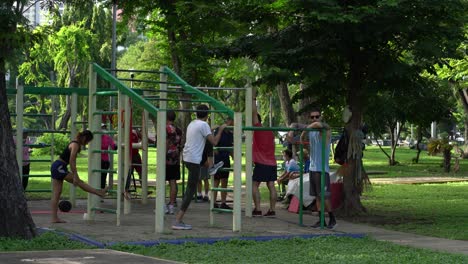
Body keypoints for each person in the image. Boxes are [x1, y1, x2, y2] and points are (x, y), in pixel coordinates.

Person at [172, 104, 227, 230]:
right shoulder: (204, 125)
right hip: (194, 160)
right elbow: (214, 141)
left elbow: (205, 133)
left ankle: (211, 166)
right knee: (190, 191)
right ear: (207, 115)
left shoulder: (193, 123)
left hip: (187, 158)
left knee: (206, 141)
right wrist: (221, 129)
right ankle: (177, 220)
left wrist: (214, 128)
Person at [50, 130, 108, 223]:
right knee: (79, 182)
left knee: (57, 193)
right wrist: (75, 176)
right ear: (84, 138)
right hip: (59, 167)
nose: (87, 143)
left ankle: (54, 218)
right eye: (88, 141)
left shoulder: (75, 143)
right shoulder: (75, 145)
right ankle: (99, 192)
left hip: (58, 166)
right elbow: (72, 161)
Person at [301, 107, 336, 229]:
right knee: (317, 196)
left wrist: (309, 127)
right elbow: (299, 137)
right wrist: (302, 133)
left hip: (322, 170)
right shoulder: (311, 132)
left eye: (317, 116)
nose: (315, 119)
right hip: (313, 169)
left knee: (324, 196)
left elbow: (322, 125)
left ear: (320, 117)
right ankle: (321, 220)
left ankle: (332, 218)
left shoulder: (325, 131)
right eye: (312, 117)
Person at [252, 94, 278, 217]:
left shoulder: (257, 128)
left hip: (261, 163)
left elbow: (254, 114)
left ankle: (257, 209)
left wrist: (253, 99)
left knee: (255, 185)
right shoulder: (270, 132)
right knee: (271, 185)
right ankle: (272, 210)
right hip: (271, 163)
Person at [213, 117, 234, 209]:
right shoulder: (218, 130)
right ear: (228, 121)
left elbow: (230, 147)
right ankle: (213, 202)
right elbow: (213, 143)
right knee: (216, 181)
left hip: (225, 159)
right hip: (217, 160)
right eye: (232, 121)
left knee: (224, 181)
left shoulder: (230, 134)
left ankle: (223, 202)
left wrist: (234, 157)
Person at [165, 110, 183, 215]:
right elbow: (180, 143)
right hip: (175, 158)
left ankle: (163, 205)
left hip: (167, 158)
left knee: (162, 181)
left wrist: (163, 155)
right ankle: (172, 204)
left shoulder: (167, 129)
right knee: (173, 181)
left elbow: (166, 143)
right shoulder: (179, 130)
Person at [100, 123, 117, 190]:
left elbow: (114, 147)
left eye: (104, 128)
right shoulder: (94, 137)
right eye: (102, 128)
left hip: (105, 161)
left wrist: (117, 142)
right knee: (97, 178)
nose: (103, 129)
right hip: (97, 160)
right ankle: (96, 193)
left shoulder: (107, 137)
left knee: (103, 178)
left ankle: (101, 193)